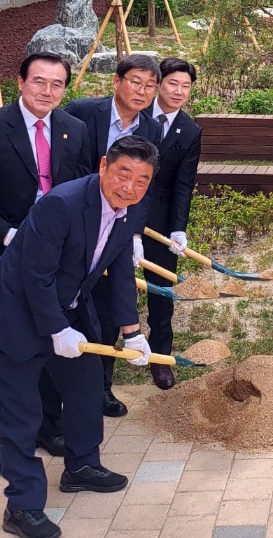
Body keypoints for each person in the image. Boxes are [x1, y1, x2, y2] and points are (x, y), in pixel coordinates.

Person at [0, 136, 157, 538]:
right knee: (23, 412)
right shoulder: (63, 203)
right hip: (13, 310)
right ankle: (21, 508)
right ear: (106, 165)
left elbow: (121, 270)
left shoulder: (133, 209)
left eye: (142, 180)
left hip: (68, 305)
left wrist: (133, 332)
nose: (129, 187)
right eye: (123, 173)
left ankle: (82, 466)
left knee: (86, 386)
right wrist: (56, 329)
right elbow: (34, 276)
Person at [0, 52, 92, 475]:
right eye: (39, 81)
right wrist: (10, 235)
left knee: (54, 342)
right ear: (20, 81)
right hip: (1, 258)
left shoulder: (74, 129)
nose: (47, 91)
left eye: (56, 84)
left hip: (54, 262)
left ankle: (48, 427)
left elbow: (84, 189)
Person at [65, 54, 161, 417]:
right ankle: (59, 393)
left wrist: (133, 234)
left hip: (116, 227)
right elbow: (65, 168)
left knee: (106, 314)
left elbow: (145, 186)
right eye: (136, 82)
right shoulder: (80, 113)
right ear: (117, 81)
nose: (142, 91)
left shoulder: (150, 128)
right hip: (75, 224)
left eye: (150, 86)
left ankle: (101, 388)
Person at [139, 57, 202, 390]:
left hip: (160, 223)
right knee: (109, 288)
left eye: (186, 86)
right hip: (118, 214)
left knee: (162, 293)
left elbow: (182, 184)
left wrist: (178, 228)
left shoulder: (189, 130)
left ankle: (160, 359)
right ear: (159, 84)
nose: (179, 91)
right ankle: (101, 367)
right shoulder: (135, 116)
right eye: (173, 84)